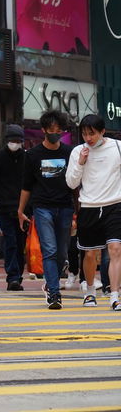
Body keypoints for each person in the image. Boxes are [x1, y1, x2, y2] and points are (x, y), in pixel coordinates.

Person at [18, 110, 76, 310]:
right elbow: (26, 185)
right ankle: (54, 292)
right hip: (42, 208)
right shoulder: (33, 155)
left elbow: (76, 183)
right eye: (52, 130)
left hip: (66, 208)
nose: (55, 133)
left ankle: (51, 284)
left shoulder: (69, 153)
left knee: (61, 253)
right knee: (49, 251)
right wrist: (20, 211)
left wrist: (79, 209)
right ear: (43, 130)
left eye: (59, 130)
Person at [66, 113, 121, 310]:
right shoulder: (78, 151)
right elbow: (71, 182)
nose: (88, 138)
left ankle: (115, 295)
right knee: (89, 254)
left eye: (92, 134)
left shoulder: (117, 147)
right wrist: (81, 162)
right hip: (88, 206)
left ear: (102, 132)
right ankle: (90, 291)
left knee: (116, 250)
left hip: (115, 205)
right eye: (84, 134)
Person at [0, 123, 28, 291]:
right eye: (12, 140)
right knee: (10, 242)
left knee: (20, 244)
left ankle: (17, 276)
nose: (15, 143)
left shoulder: (27, 157)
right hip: (4, 208)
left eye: (18, 140)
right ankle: (12, 277)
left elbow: (31, 184)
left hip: (23, 209)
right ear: (6, 140)